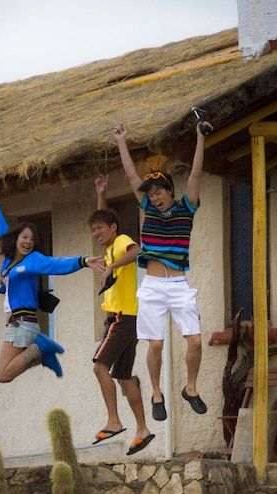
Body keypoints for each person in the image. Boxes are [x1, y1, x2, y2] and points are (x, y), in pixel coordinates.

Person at [113, 121, 212, 420]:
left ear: (170, 190)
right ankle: (157, 394)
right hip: (153, 286)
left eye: (158, 191)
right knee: (155, 344)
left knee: (194, 339)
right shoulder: (148, 208)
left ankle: (190, 388)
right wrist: (121, 142)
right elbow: (131, 175)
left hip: (179, 284)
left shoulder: (187, 207)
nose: (154, 197)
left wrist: (200, 138)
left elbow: (195, 173)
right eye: (151, 193)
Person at [0, 174, 103, 382]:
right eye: (24, 237)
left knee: (1, 375)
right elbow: (0, 227)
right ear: (16, 238)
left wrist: (83, 261)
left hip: (23, 323)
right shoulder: (9, 260)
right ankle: (44, 354)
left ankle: (42, 347)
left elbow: (56, 264)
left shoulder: (33, 261)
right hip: (17, 323)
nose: (28, 242)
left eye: (32, 239)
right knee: (3, 374)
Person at [91, 174, 155, 456]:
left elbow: (136, 250)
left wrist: (110, 267)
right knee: (125, 377)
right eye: (93, 230)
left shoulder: (121, 243)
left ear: (113, 228)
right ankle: (143, 430)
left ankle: (114, 421)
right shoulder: (109, 245)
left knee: (99, 367)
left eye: (100, 229)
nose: (96, 233)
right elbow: (105, 221)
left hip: (121, 319)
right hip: (130, 320)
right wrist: (101, 194)